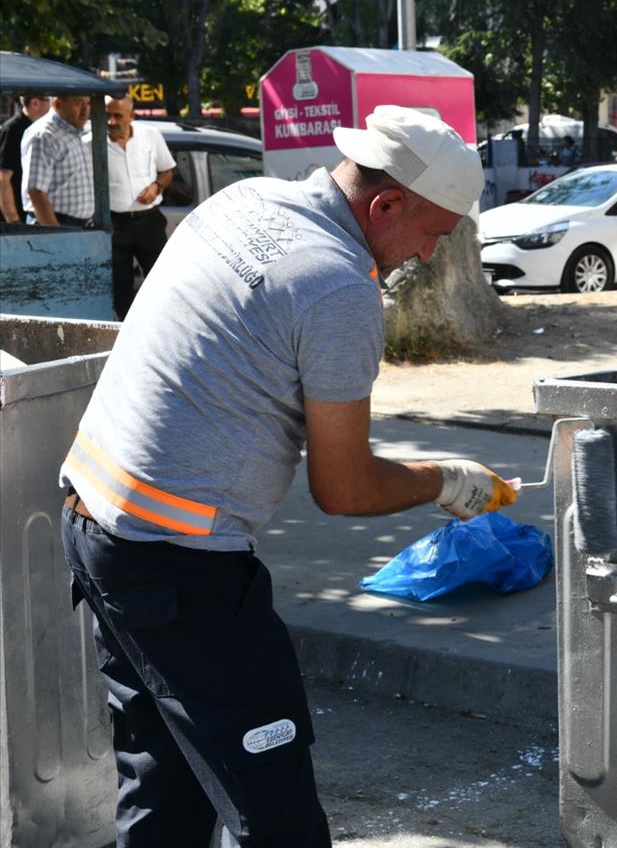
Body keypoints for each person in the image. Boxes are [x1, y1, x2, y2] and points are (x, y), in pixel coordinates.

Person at [58, 106, 516, 847]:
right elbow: (345, 487)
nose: (428, 256)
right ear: (387, 204)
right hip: (178, 568)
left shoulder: (247, 201)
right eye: (433, 233)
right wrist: (444, 479)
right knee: (277, 819)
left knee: (165, 790)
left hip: (95, 521)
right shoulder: (337, 286)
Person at [102, 94, 176, 318]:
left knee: (162, 281)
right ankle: (127, 333)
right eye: (107, 115)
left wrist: (156, 187)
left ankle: (164, 325)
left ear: (132, 116)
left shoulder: (150, 135)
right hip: (115, 224)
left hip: (149, 221)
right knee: (120, 288)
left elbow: (167, 171)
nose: (111, 122)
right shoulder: (91, 143)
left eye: (118, 116)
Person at [24, 94, 94, 226]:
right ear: (57, 105)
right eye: (78, 104)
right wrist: (56, 235)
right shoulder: (44, 135)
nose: (86, 110)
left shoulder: (77, 130)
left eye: (88, 103)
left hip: (80, 226)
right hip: (56, 224)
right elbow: (36, 191)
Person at [0, 94, 50, 223]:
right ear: (35, 103)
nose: (51, 105)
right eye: (48, 100)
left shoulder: (39, 128)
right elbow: (3, 178)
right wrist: (13, 219)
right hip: (18, 218)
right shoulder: (13, 129)